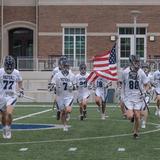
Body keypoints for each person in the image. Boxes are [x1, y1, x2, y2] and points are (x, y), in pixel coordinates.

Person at [121, 55, 149, 139]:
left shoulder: (141, 72)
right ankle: (131, 117)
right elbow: (123, 84)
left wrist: (144, 92)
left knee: (137, 116)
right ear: (131, 63)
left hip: (138, 97)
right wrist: (122, 96)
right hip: (128, 98)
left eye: (138, 62)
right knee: (130, 116)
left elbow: (147, 84)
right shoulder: (125, 72)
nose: (137, 63)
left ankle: (136, 133)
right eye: (135, 62)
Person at [0, 55, 24, 139]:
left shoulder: (16, 72)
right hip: (1, 96)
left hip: (11, 96)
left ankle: (8, 128)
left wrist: (21, 90)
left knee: (9, 113)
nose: (9, 69)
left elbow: (20, 81)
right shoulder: (0, 71)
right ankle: (4, 128)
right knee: (3, 116)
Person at [50, 59, 76, 131]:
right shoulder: (57, 75)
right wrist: (54, 86)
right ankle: (64, 125)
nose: (66, 68)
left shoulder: (72, 75)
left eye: (67, 66)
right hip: (60, 96)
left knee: (68, 110)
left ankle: (65, 113)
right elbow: (52, 84)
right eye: (65, 66)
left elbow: (76, 86)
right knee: (62, 112)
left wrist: (72, 87)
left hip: (69, 96)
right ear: (62, 66)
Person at [48, 56, 67, 120]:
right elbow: (52, 77)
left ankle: (64, 111)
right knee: (57, 99)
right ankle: (58, 110)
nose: (63, 65)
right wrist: (50, 84)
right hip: (57, 86)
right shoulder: (56, 70)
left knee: (65, 100)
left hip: (64, 87)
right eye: (62, 64)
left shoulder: (67, 70)